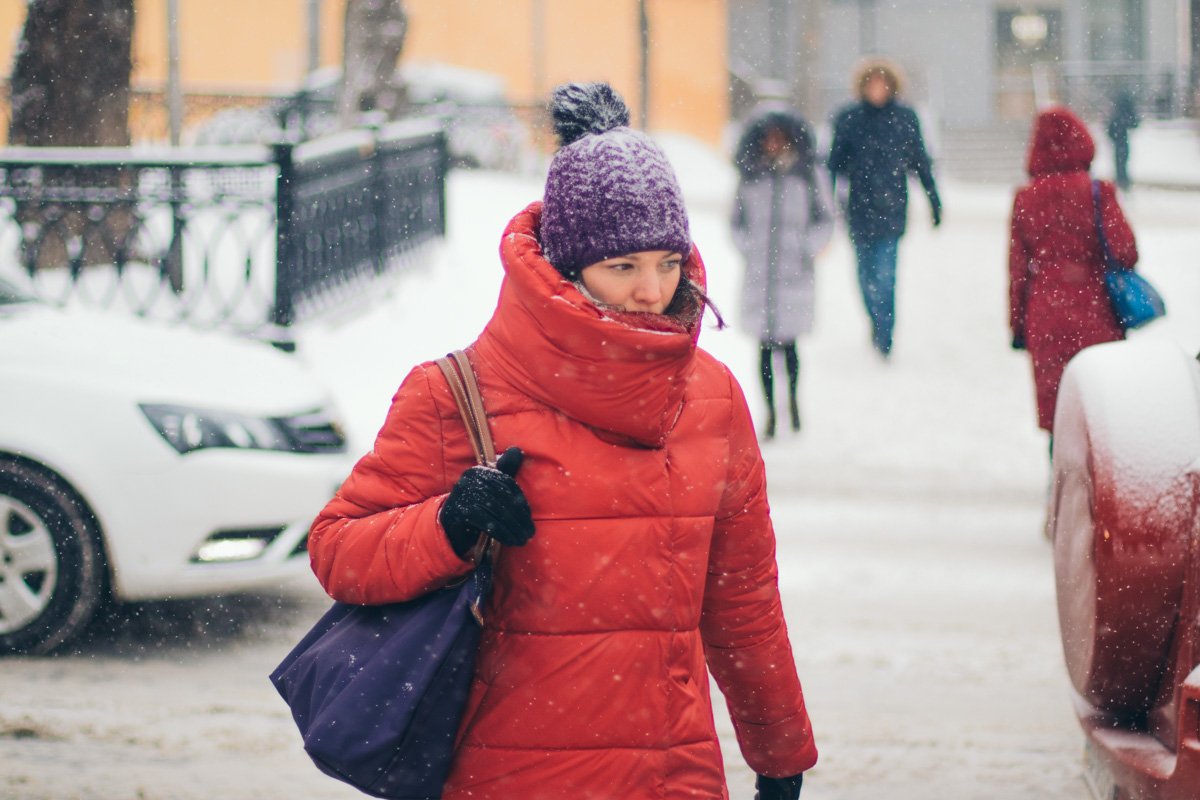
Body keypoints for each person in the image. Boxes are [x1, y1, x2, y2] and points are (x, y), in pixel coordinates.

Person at [308, 82, 816, 800]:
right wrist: (449, 524)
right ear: (566, 265)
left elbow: (743, 601)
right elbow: (338, 551)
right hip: (510, 775)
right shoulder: (457, 394)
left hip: (675, 777)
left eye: (668, 262)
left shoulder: (712, 398)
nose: (653, 290)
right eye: (623, 267)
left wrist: (780, 752)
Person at [1009, 106, 1138, 441]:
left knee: (1059, 412)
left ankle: (1062, 470)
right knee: (1101, 409)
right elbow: (1126, 252)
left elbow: (1018, 271)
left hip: (1045, 313)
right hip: (1096, 310)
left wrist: (1018, 325)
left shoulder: (1026, 199)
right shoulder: (1097, 192)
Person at [827, 59, 941, 359]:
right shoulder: (849, 118)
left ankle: (885, 334)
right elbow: (833, 164)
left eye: (883, 84)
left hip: (892, 209)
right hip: (858, 209)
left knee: (886, 277)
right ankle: (875, 320)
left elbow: (920, 162)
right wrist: (826, 203)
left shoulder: (904, 118)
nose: (877, 90)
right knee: (865, 277)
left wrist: (934, 201)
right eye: (872, 84)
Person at [731, 105, 833, 439]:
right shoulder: (751, 177)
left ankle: (793, 402)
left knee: (790, 346)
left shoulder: (807, 176)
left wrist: (807, 247)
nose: (773, 143)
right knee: (763, 347)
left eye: (780, 137)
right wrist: (749, 247)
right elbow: (736, 222)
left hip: (795, 273)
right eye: (768, 138)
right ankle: (770, 414)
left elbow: (826, 218)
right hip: (760, 275)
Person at [1106, 89, 1140, 191]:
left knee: (1120, 162)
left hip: (1119, 140)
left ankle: (1122, 181)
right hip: (1122, 140)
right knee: (1122, 162)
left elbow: (1111, 129)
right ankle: (1123, 181)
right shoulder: (1125, 114)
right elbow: (1134, 123)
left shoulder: (1118, 114)